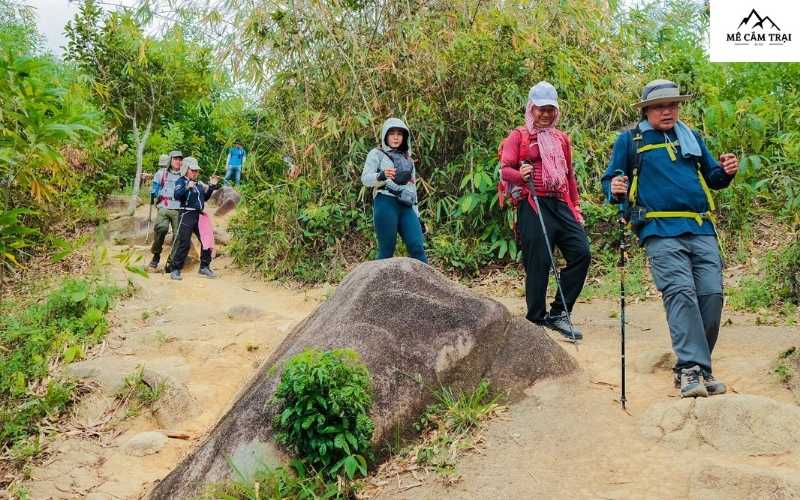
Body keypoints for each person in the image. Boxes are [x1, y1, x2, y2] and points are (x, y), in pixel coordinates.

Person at [602, 79, 739, 398]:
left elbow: (713, 178)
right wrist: (615, 189)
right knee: (680, 293)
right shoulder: (631, 140)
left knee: (711, 295)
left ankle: (696, 368)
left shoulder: (691, 137)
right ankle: (691, 368)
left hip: (700, 228)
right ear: (647, 110)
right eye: (661, 106)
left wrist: (726, 171)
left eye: (673, 105)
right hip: (659, 230)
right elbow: (611, 179)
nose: (668, 110)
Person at [500, 81, 590, 341]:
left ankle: (560, 312)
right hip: (533, 201)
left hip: (560, 202)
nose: (546, 114)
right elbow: (504, 169)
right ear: (531, 108)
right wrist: (520, 174)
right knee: (538, 262)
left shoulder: (562, 139)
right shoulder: (518, 136)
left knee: (581, 253)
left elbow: (569, 175)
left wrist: (575, 207)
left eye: (551, 109)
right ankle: (535, 319)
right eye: (541, 109)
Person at [361, 118, 428, 263]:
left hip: (406, 205)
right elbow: (365, 179)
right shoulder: (376, 153)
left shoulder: (408, 158)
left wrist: (417, 216)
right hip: (385, 202)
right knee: (387, 250)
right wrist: (381, 175)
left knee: (417, 246)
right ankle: (375, 286)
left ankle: (431, 285)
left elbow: (412, 188)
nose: (396, 137)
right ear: (385, 135)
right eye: (392, 133)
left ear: (405, 137)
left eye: (399, 134)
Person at [170, 157, 221, 280]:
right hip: (186, 214)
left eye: (196, 171)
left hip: (199, 215)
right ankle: (175, 269)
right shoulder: (180, 181)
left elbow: (205, 198)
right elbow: (177, 195)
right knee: (184, 243)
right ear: (186, 170)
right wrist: (187, 186)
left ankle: (204, 267)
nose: (195, 173)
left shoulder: (198, 184)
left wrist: (212, 186)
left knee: (207, 241)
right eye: (193, 170)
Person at [148, 150, 183, 270]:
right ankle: (156, 255)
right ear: (170, 160)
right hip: (164, 205)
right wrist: (154, 195)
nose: (178, 161)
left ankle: (171, 262)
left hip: (178, 208)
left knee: (178, 236)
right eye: (175, 159)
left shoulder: (184, 175)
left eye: (180, 159)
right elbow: (155, 188)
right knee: (160, 229)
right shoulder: (161, 173)